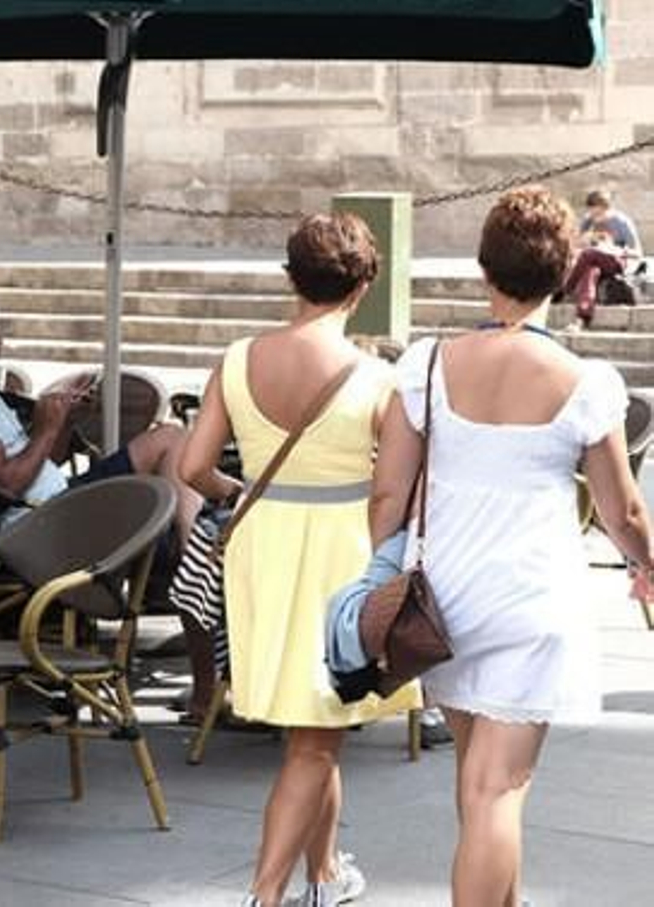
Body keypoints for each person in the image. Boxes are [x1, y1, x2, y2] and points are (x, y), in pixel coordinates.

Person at [370, 186, 654, 906]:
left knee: (478, 781)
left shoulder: (427, 365)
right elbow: (621, 508)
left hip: (442, 595)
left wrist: (378, 572)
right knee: (498, 790)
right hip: (530, 595)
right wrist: (646, 562)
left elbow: (387, 496)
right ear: (563, 275)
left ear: (483, 270)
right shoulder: (587, 381)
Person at [179, 213, 421, 907]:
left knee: (316, 723)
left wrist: (247, 490)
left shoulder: (236, 358)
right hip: (341, 548)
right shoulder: (379, 378)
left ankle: (324, 875)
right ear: (364, 285)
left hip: (266, 545)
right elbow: (389, 492)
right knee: (315, 736)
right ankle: (266, 894)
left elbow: (194, 467)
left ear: (291, 277)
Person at [0, 283, 220, 546]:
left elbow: (41, 465)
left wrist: (63, 422)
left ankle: (185, 548)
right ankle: (188, 555)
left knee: (170, 438)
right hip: (42, 517)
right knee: (168, 450)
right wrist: (45, 429)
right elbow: (8, 486)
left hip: (54, 497)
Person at [560, 188, 642, 329]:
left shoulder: (621, 222)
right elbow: (573, 246)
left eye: (598, 212)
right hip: (592, 261)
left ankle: (565, 289)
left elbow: (638, 252)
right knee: (591, 271)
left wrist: (617, 250)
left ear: (606, 208)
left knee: (589, 255)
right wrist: (583, 239)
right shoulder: (588, 220)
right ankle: (581, 318)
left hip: (616, 262)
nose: (594, 216)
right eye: (591, 211)